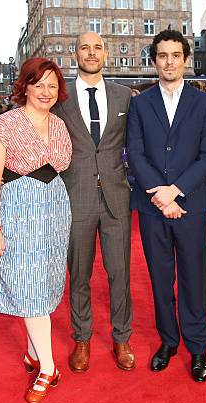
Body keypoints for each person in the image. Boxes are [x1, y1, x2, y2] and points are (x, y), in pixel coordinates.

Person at [127, 29, 206, 383]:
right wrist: (161, 195)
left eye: (175, 55)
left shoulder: (203, 102)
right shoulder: (140, 102)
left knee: (194, 279)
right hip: (152, 208)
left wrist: (176, 191)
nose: (169, 62)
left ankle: (198, 347)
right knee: (161, 280)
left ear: (185, 59)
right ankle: (169, 341)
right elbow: (135, 153)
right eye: (162, 55)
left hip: (191, 206)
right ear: (154, 61)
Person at [0, 57, 72, 403]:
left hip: (54, 213)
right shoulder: (2, 126)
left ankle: (34, 353)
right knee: (30, 289)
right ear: (26, 86)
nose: (46, 92)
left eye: (52, 85)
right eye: (39, 84)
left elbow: (59, 169)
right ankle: (49, 369)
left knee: (42, 286)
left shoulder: (59, 126)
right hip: (18, 214)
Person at [52, 32, 135, 372]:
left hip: (116, 197)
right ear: (75, 55)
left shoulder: (124, 96)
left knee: (120, 274)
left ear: (106, 54)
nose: (91, 53)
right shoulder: (60, 99)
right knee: (79, 275)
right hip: (77, 197)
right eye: (84, 47)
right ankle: (82, 338)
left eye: (97, 47)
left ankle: (122, 337)